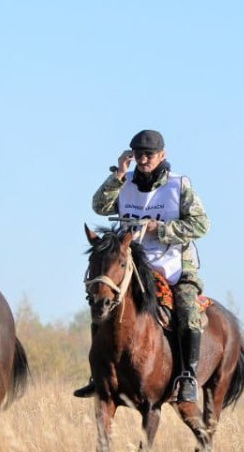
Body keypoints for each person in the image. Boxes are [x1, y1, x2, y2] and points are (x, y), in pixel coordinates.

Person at [75, 129, 210, 403]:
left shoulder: (179, 185)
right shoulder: (124, 183)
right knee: (101, 298)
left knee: (186, 307)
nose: (144, 159)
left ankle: (187, 375)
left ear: (162, 155)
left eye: (149, 154)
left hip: (174, 264)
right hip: (133, 264)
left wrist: (158, 228)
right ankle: (98, 374)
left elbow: (201, 225)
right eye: (138, 154)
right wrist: (119, 175)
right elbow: (99, 206)